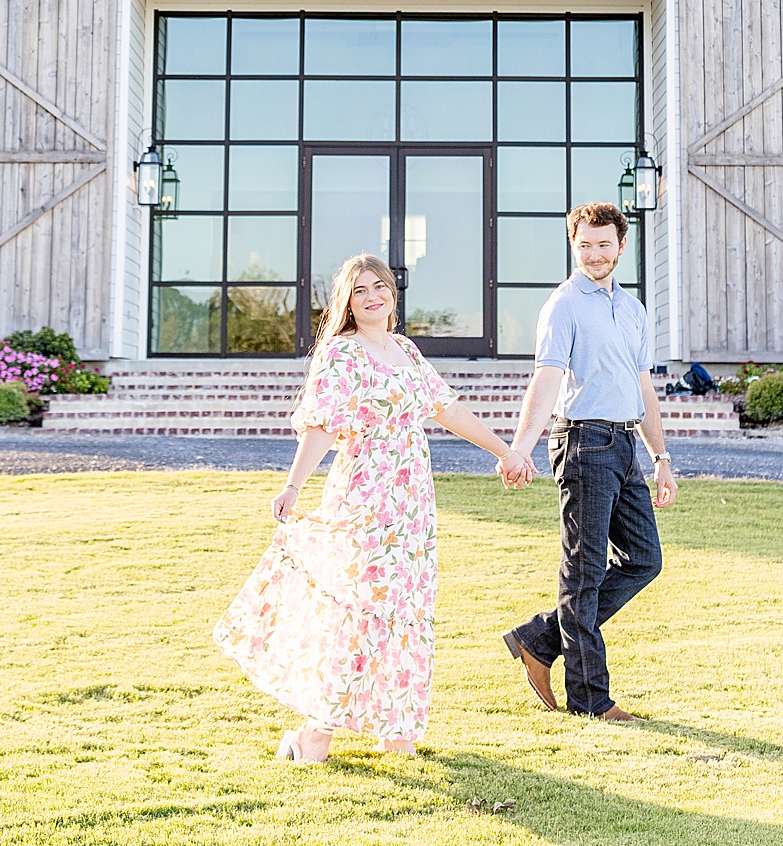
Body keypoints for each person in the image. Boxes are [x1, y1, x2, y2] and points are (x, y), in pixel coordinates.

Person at [214, 253, 533, 764]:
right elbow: (320, 425)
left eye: (379, 286)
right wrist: (293, 486)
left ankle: (396, 728)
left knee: (408, 611)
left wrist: (505, 452)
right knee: (361, 612)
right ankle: (314, 733)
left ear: (392, 292)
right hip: (364, 499)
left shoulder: (406, 350)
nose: (372, 296)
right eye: (360, 290)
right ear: (347, 300)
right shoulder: (341, 353)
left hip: (413, 505)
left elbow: (447, 409)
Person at [500, 200, 677, 721]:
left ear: (621, 246)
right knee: (585, 570)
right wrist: (520, 446)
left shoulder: (633, 309)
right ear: (573, 246)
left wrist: (661, 456)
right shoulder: (564, 305)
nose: (594, 254)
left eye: (603, 245)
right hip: (582, 441)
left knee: (644, 559)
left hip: (623, 444)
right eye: (585, 246)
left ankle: (540, 639)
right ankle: (591, 700)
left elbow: (642, 387)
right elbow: (547, 377)